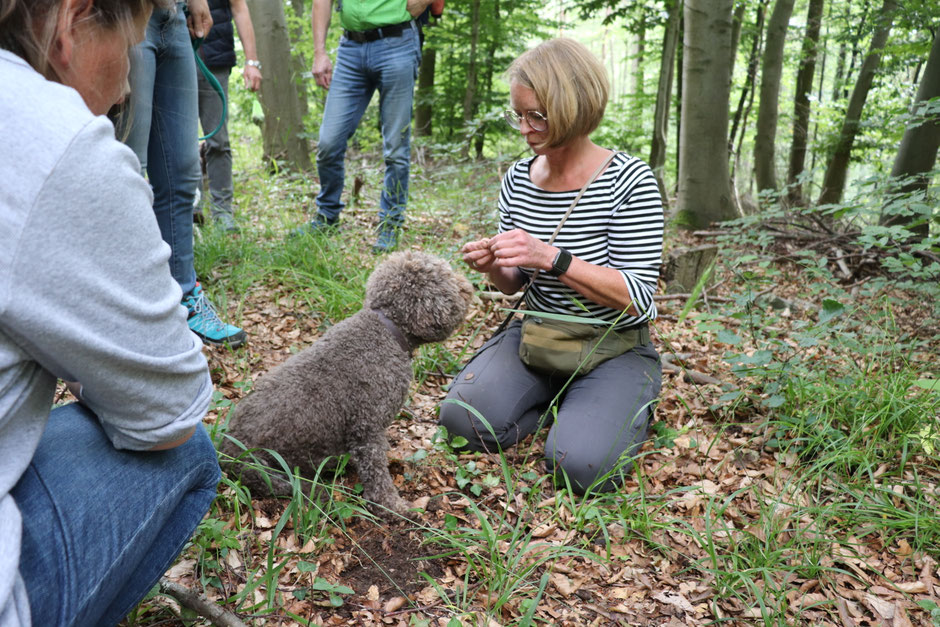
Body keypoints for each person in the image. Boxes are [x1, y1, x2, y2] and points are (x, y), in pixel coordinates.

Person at [0, 0, 222, 624]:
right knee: (189, 451)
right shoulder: (55, 136)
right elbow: (170, 413)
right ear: (72, 21)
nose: (128, 81)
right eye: (127, 44)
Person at [438, 38, 664, 494]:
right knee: (460, 425)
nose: (524, 128)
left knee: (579, 467)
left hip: (613, 346)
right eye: (518, 115)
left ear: (573, 107)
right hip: (539, 334)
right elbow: (512, 285)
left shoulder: (629, 181)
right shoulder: (519, 178)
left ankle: (597, 411)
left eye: (536, 115)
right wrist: (492, 265)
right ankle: (556, 403)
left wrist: (554, 258)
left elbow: (638, 300)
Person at [121, 0, 247, 347]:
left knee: (181, 174)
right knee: (127, 172)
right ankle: (128, 309)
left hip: (174, 17)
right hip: (128, 15)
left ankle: (185, 296)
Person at [295, 0, 437, 252]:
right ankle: (327, 217)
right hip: (350, 48)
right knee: (328, 142)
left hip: (398, 42)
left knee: (395, 148)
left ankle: (390, 225)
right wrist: (320, 52)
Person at [196, 0, 262, 232]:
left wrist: (251, 62)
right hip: (172, 55)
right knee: (177, 143)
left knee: (218, 142)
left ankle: (223, 213)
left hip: (215, 59)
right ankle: (189, 208)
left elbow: (239, 7)